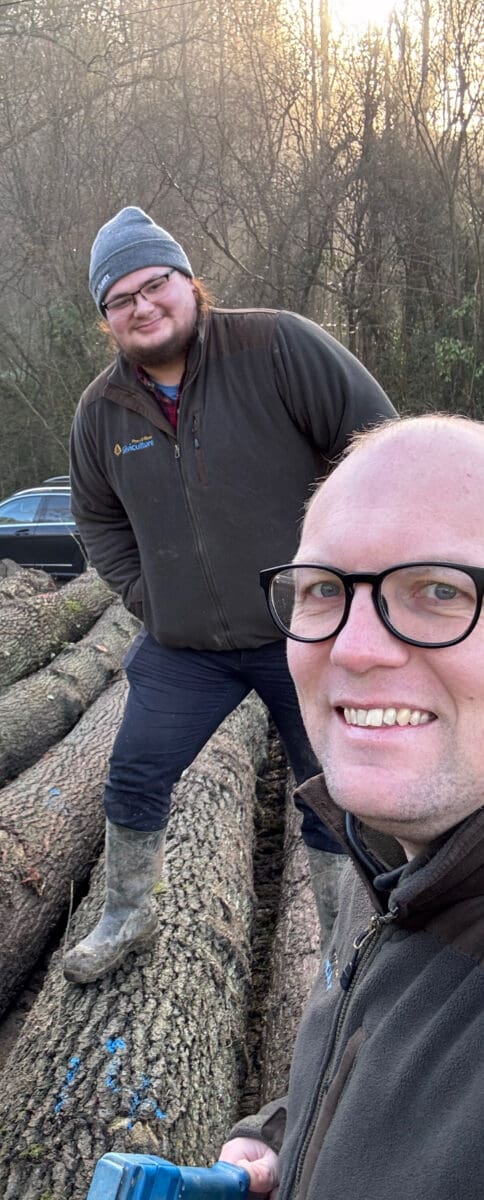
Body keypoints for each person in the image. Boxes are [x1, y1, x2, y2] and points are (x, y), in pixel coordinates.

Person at [64, 205, 397, 984]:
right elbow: (97, 519)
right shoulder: (101, 413)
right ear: (107, 319)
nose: (143, 306)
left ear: (188, 282)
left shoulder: (276, 345)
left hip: (306, 635)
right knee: (134, 775)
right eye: (121, 300)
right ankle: (127, 916)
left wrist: (341, 583)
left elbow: (377, 447)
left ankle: (338, 946)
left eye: (156, 285)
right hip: (186, 651)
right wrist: (152, 598)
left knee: (332, 789)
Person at [219, 414, 484, 1198]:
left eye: (439, 590)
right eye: (325, 590)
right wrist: (287, 1141)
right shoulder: (410, 870)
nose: (356, 648)